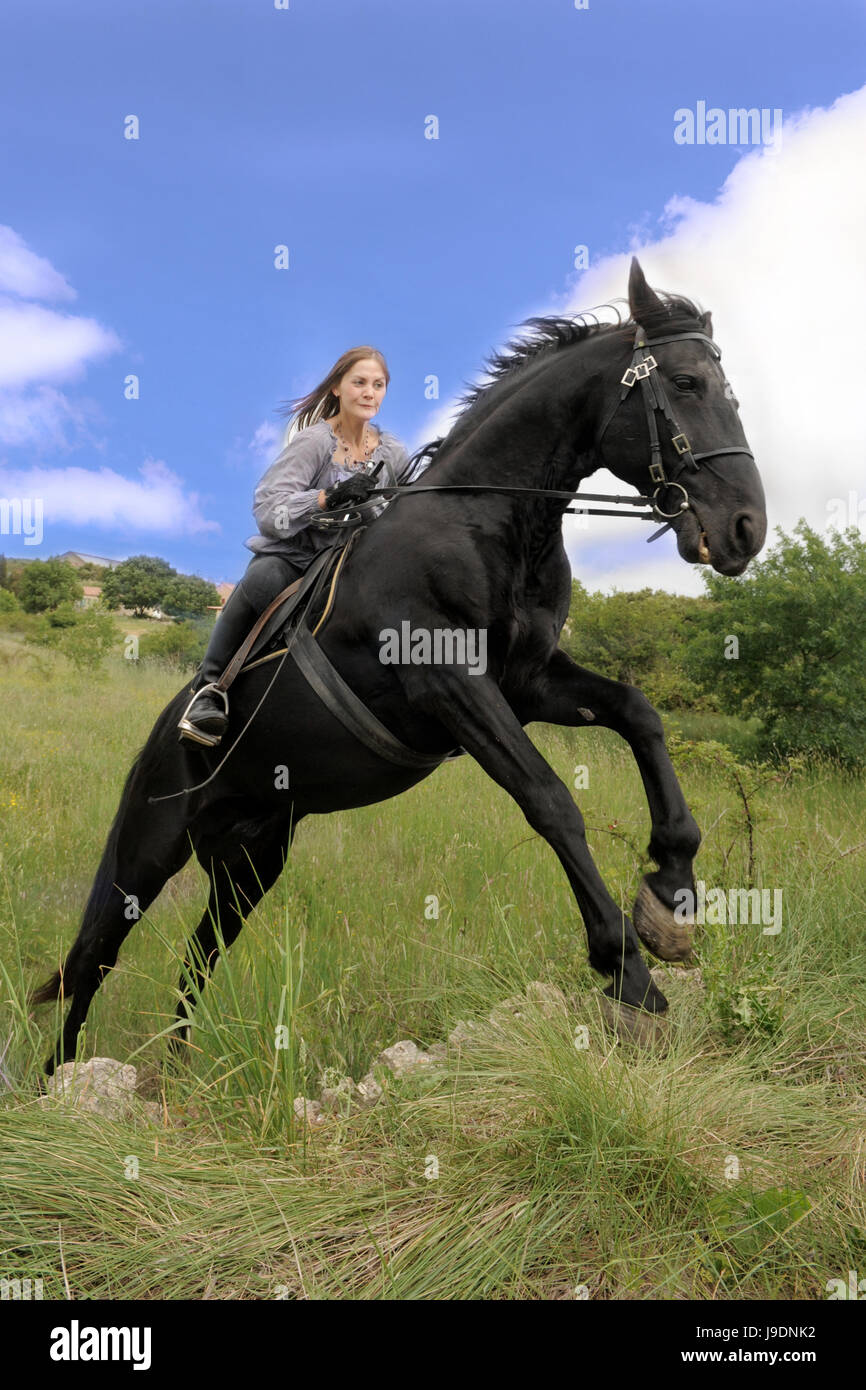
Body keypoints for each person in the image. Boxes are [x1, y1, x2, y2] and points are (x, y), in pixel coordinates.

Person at [177, 347, 419, 747]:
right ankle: (209, 691)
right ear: (338, 388)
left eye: (378, 385)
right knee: (262, 577)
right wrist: (327, 497)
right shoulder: (315, 442)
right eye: (359, 382)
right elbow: (268, 509)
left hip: (356, 562)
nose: (369, 392)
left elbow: (407, 511)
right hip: (298, 558)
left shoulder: (393, 452)